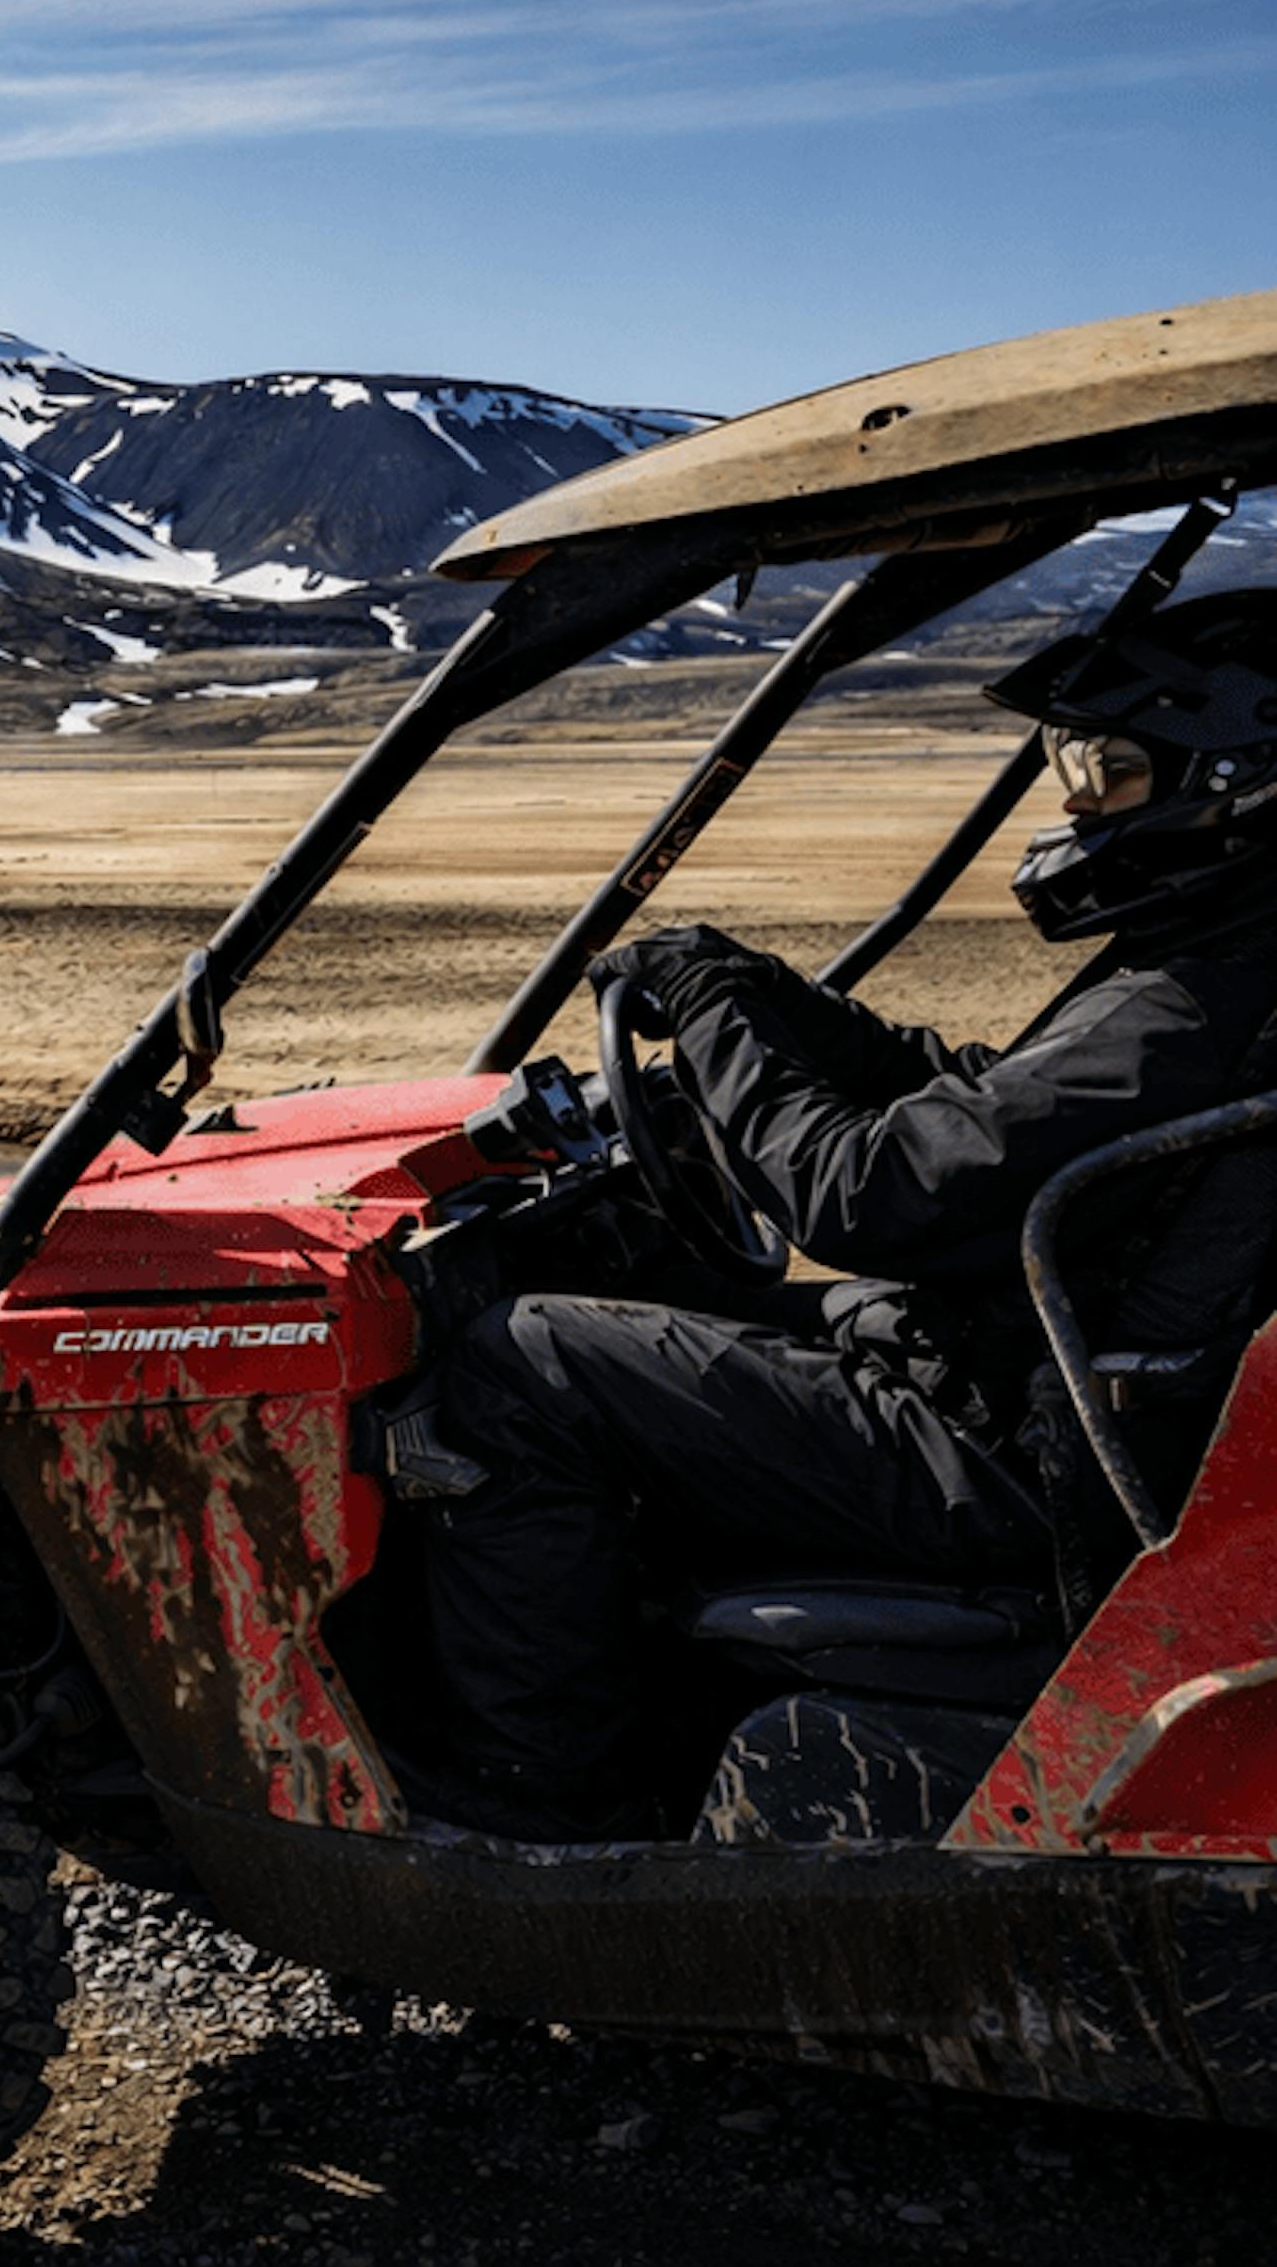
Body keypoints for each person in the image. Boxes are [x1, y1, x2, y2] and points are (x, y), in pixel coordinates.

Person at [409, 591, 1277, 1842]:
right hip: (1056, 1388)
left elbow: (860, 1192)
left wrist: (713, 1012)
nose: (1079, 807)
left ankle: (539, 1803)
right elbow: (986, 1101)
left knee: (523, 1360)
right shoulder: (1222, 970)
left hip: (1015, 1448)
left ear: (1236, 780)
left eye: (1113, 772)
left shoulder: (1186, 1010)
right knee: (661, 1293)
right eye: (1072, 771)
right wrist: (776, 1002)